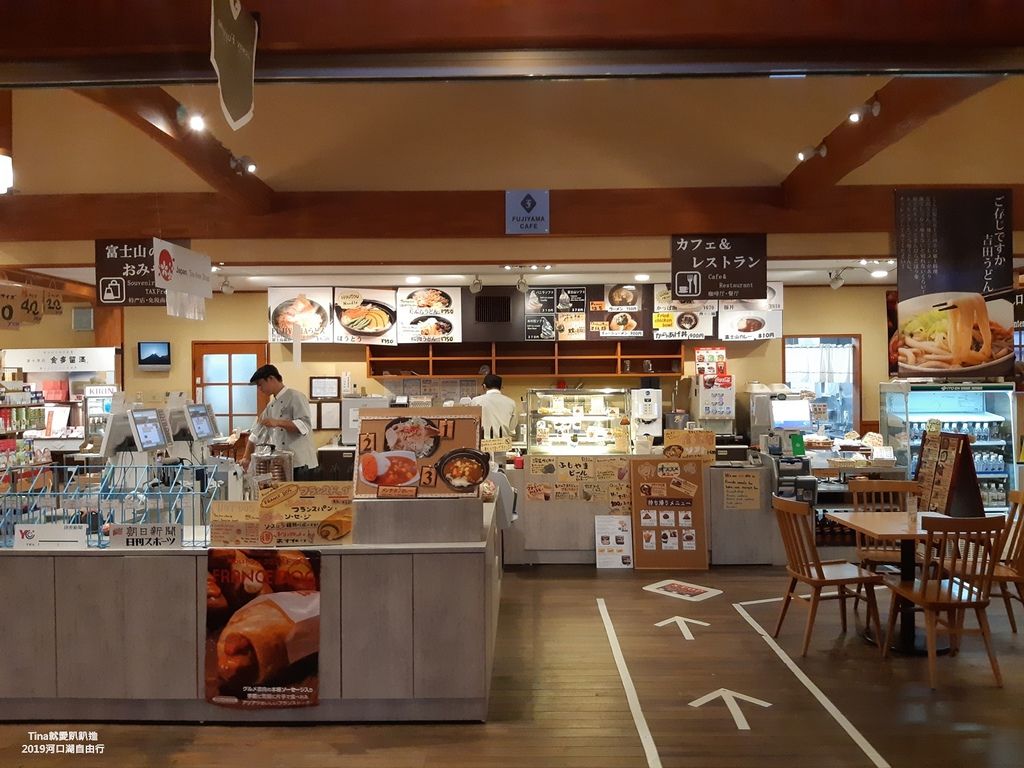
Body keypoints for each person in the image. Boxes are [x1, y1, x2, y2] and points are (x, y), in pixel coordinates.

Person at [240, 364, 318, 480]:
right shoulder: (270, 406)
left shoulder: (296, 396)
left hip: (302, 464)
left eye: (260, 384)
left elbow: (304, 426)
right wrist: (246, 458)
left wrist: (277, 422)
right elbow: (255, 434)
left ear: (271, 378)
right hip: (283, 464)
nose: (259, 389)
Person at [471, 373, 517, 442]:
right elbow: (512, 427)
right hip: (503, 443)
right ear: (501, 387)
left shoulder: (475, 401)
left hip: (483, 442)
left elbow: (471, 425)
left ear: (484, 386)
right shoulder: (511, 402)